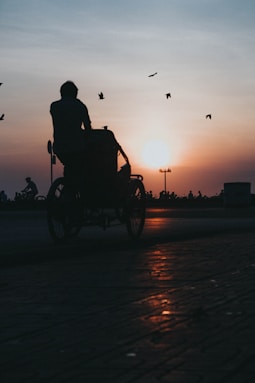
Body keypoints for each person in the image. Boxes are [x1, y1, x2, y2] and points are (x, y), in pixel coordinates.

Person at [50, 81, 92, 189]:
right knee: (86, 165)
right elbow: (88, 128)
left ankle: (69, 188)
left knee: (69, 165)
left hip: (59, 147)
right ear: (75, 93)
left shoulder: (54, 106)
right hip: (76, 146)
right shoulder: (80, 106)